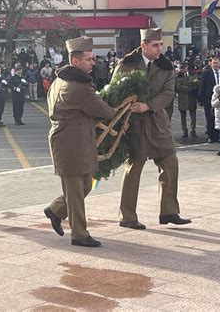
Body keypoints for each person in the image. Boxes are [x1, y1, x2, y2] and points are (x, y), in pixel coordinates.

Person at [112, 26, 192, 230]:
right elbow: (114, 89)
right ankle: (127, 216)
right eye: (155, 45)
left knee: (170, 162)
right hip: (134, 124)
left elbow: (168, 92)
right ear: (143, 45)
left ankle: (169, 211)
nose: (159, 49)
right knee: (134, 167)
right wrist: (126, 111)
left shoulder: (165, 67)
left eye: (161, 45)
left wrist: (148, 105)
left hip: (157, 121)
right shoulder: (127, 64)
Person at [43, 37, 116, 247]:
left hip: (72, 141)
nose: (93, 62)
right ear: (75, 62)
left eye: (92, 59)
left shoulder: (60, 80)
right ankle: (79, 234)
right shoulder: (79, 86)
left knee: (84, 184)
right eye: (89, 59)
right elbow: (102, 110)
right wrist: (115, 110)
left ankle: (56, 209)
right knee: (76, 189)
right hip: (70, 144)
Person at [200, 57, 220, 143]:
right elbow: (202, 87)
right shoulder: (206, 73)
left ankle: (218, 135)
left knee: (219, 118)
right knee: (210, 118)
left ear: (219, 64)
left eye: (217, 63)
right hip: (209, 99)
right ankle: (211, 136)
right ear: (211, 64)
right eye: (214, 63)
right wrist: (204, 100)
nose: (215, 65)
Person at [175, 62, 199, 138]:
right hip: (182, 98)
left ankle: (193, 131)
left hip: (191, 97)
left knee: (193, 116)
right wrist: (189, 88)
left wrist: (192, 87)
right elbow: (178, 86)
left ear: (187, 67)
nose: (182, 69)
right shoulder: (178, 76)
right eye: (181, 68)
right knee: (183, 116)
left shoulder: (192, 74)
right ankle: (184, 131)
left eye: (183, 67)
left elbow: (196, 85)